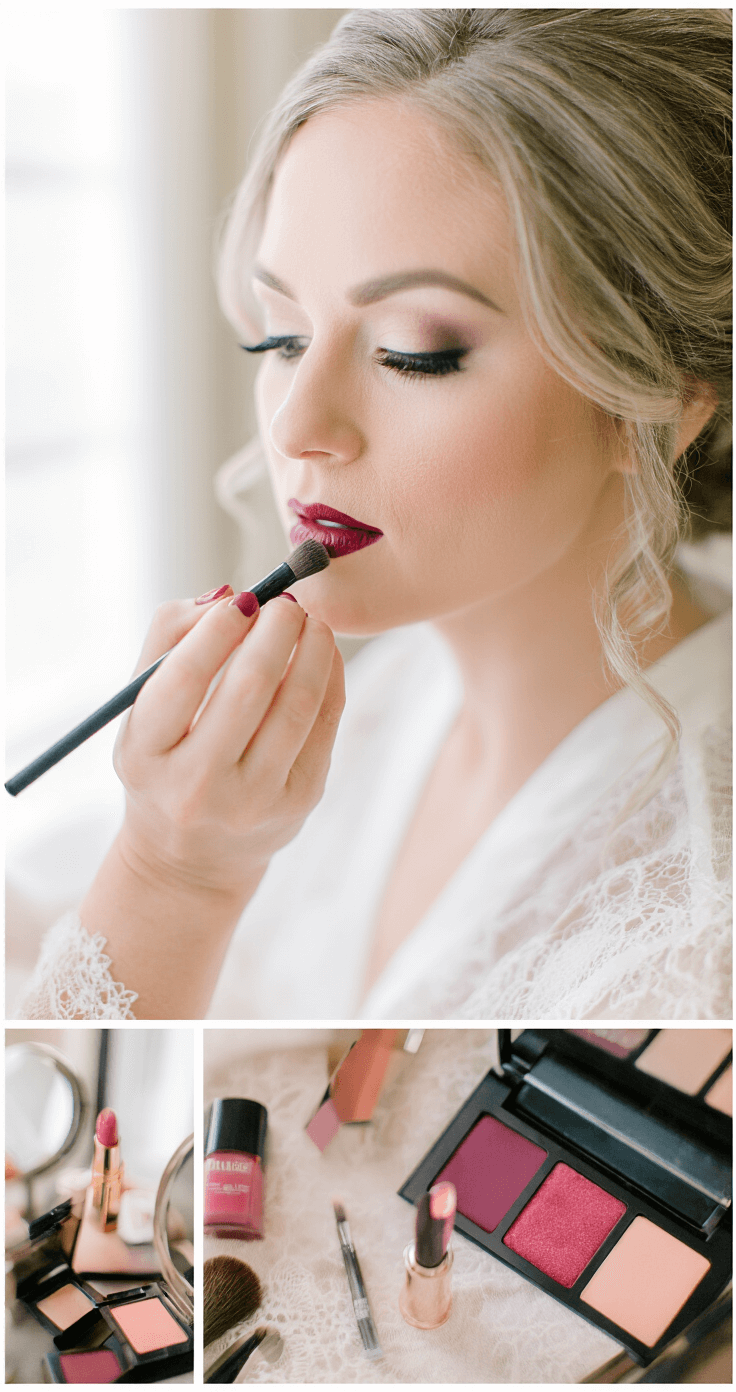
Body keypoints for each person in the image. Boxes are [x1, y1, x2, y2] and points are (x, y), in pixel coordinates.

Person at [19, 9, 731, 1020]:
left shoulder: (701, 925)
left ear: (658, 403)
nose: (300, 426)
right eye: (280, 341)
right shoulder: (379, 703)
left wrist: (174, 881)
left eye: (411, 352)